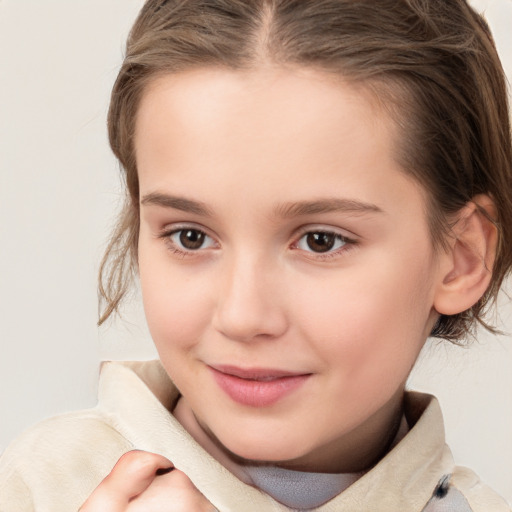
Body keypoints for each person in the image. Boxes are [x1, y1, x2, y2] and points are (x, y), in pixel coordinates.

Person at [1, 0, 511, 510]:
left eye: (320, 241)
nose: (243, 317)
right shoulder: (40, 490)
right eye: (191, 236)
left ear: (460, 257)